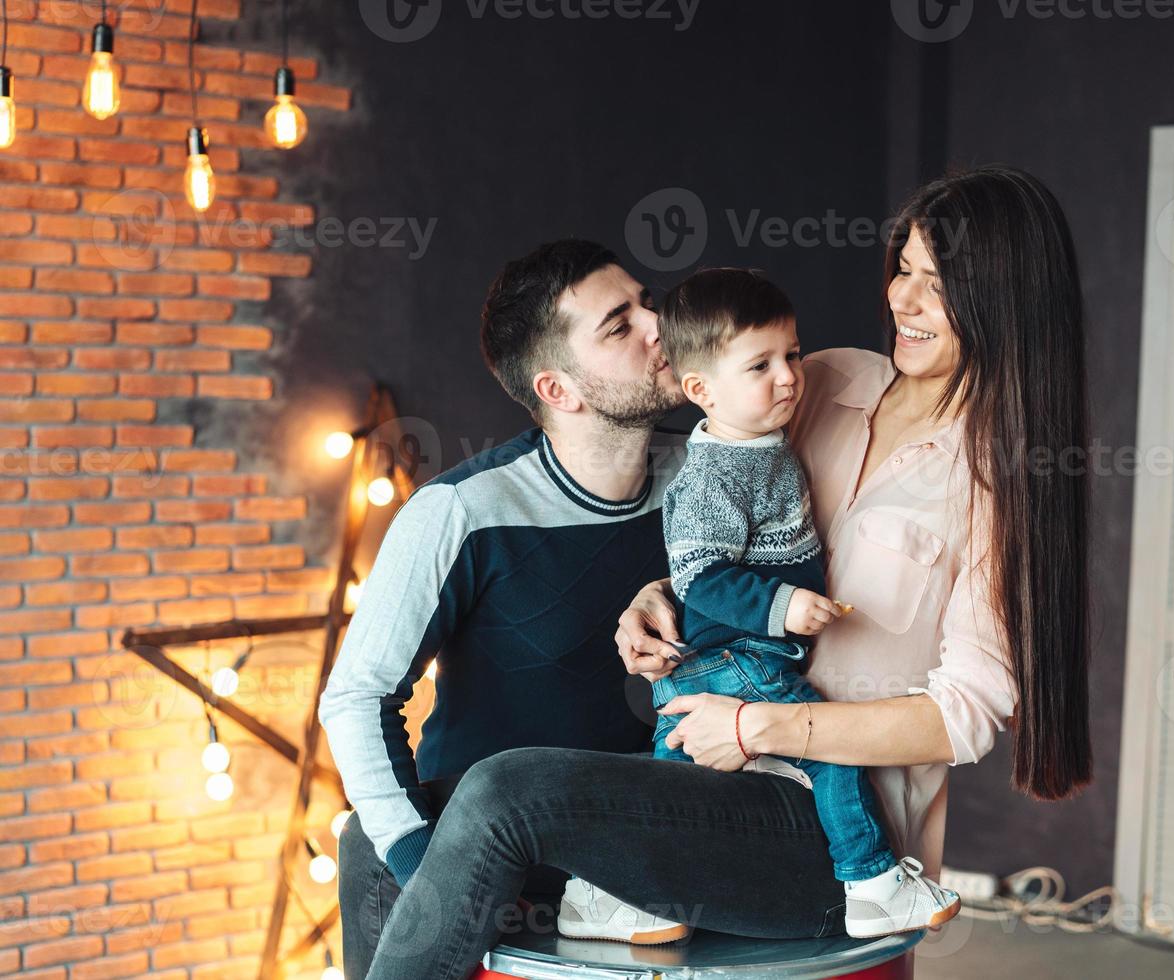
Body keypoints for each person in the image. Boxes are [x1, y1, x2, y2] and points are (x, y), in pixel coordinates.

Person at [360, 166, 1094, 980]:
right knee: (379, 830)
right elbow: (742, 536)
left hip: (832, 835)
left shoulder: (1005, 478)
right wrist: (659, 596)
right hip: (713, 776)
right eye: (905, 270)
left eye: (939, 285)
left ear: (1007, 300)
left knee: (506, 792)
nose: (903, 300)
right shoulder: (828, 381)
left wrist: (761, 729)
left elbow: (965, 717)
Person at [319, 239, 691, 977]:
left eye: (648, 303)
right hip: (498, 855)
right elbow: (357, 697)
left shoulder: (710, 477)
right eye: (620, 324)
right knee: (366, 838)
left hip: (649, 837)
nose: (660, 327)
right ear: (559, 389)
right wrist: (430, 869)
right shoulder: (463, 510)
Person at [631, 266, 959, 939]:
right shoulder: (721, 469)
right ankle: (870, 881)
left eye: (791, 354)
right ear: (700, 390)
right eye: (761, 366)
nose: (788, 377)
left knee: (674, 784)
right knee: (832, 751)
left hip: (739, 652)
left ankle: (621, 891)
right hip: (742, 656)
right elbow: (705, 577)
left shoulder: (763, 439)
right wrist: (782, 607)